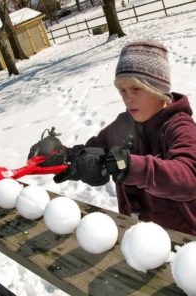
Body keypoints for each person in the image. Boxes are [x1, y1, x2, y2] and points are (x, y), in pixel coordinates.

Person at [29, 40, 196, 236]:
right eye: (122, 90)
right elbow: (92, 150)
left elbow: (189, 178)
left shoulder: (180, 127)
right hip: (135, 236)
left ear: (158, 89)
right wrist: (62, 155)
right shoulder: (123, 125)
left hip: (181, 243)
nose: (128, 98)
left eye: (136, 88)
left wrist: (130, 166)